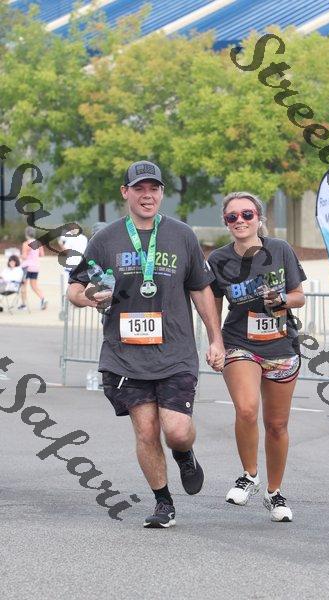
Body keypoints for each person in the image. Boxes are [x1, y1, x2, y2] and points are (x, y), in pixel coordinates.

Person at [68, 160, 225, 529]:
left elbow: (200, 289)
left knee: (177, 430)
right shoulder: (105, 239)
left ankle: (184, 454)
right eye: (139, 188)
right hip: (124, 355)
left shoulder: (182, 235)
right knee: (146, 431)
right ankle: (163, 502)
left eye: (153, 188)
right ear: (126, 192)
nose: (147, 195)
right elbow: (75, 289)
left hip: (175, 351)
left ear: (162, 193)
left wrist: (215, 338)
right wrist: (91, 298)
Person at [207, 191, 306, 522]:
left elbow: (299, 296)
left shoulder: (280, 249)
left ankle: (274, 493)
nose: (240, 221)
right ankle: (249, 476)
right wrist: (215, 342)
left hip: (280, 345)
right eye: (232, 216)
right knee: (247, 408)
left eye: (247, 214)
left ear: (259, 218)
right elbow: (212, 306)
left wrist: (282, 300)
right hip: (240, 343)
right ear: (225, 222)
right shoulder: (218, 260)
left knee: (276, 425)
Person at [19, 226, 48, 310]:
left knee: (23, 286)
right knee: (34, 286)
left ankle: (23, 305)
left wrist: (19, 256)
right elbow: (42, 255)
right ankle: (43, 298)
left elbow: (24, 257)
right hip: (35, 267)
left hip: (26, 267)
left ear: (26, 234)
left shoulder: (26, 244)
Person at [58, 227, 88, 292]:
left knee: (66, 285)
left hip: (70, 264)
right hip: (80, 264)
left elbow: (65, 251)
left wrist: (60, 243)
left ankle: (66, 296)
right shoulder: (84, 238)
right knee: (78, 285)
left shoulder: (71, 238)